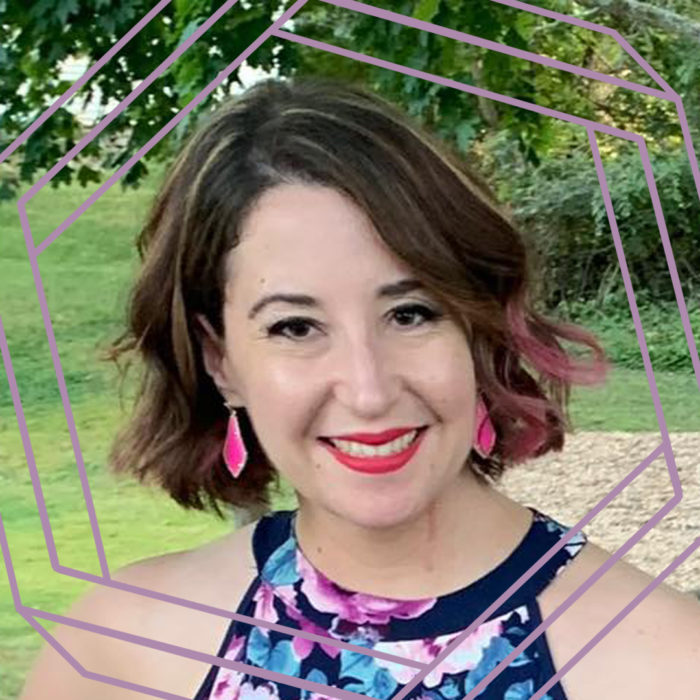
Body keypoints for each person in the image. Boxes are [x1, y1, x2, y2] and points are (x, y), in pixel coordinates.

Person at [21, 76, 700, 700]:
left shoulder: (668, 662)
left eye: (411, 313)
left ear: (479, 328)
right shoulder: (119, 652)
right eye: (294, 327)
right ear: (221, 361)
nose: (368, 390)